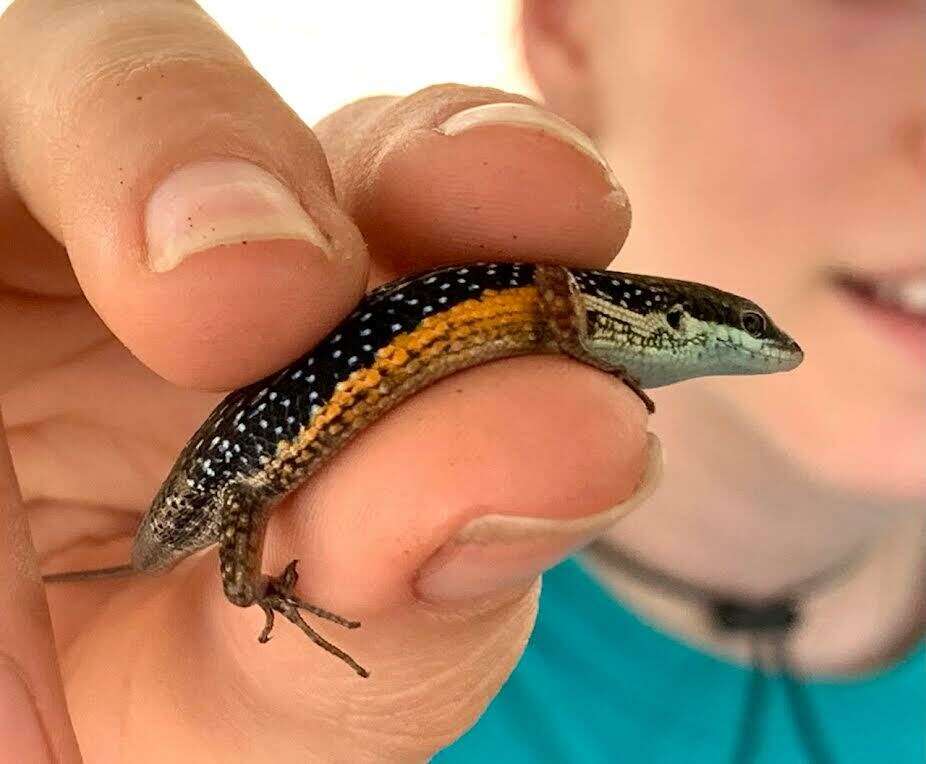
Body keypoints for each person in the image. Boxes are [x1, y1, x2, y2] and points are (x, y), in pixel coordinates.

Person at [0, 0, 921, 762]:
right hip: (221, 475)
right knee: (252, 495)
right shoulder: (581, 307)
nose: (761, 346)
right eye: (748, 331)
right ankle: (252, 591)